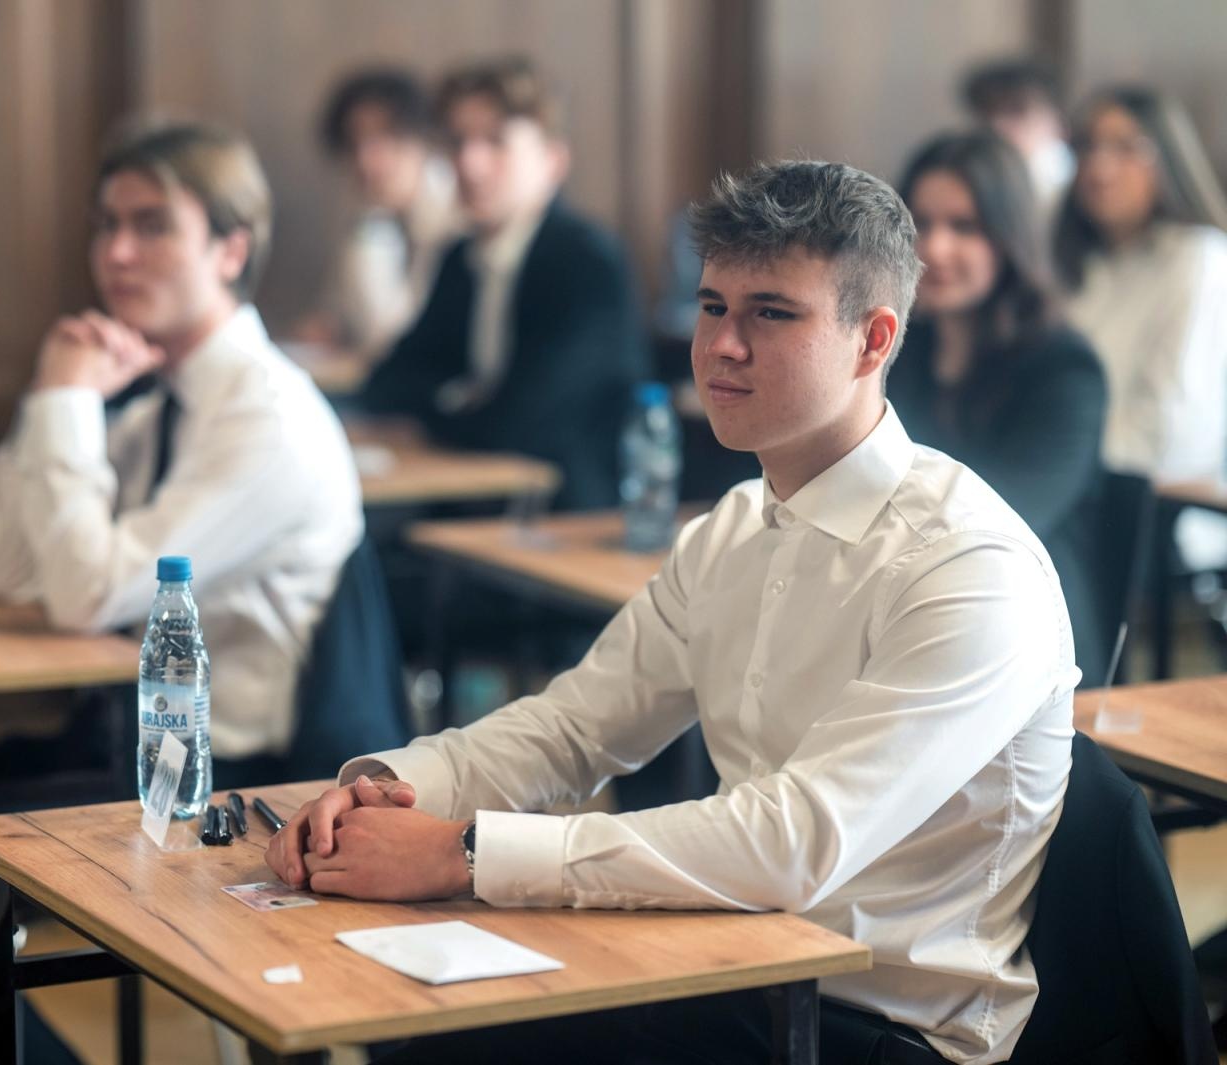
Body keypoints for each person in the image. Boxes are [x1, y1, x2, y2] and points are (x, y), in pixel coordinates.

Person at [269, 160, 1079, 1065]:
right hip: (730, 963)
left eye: (771, 313)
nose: (722, 344)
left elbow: (790, 843)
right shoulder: (733, 526)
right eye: (711, 306)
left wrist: (460, 852)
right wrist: (389, 787)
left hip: (882, 1027)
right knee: (403, 1017)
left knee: (442, 1042)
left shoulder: (971, 565)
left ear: (872, 339)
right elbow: (572, 729)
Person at [0, 121, 363, 1065]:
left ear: (230, 247)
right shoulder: (159, 400)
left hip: (225, 782)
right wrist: (62, 397)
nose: (117, 252)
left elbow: (87, 592)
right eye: (106, 225)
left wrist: (66, 405)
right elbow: (18, 566)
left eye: (151, 225)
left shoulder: (268, 417)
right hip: (132, 747)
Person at [359, 55, 647, 511]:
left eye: (496, 142)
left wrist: (439, 409)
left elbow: (524, 423)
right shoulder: (460, 256)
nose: (470, 163)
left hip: (573, 515)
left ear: (554, 160)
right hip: (480, 501)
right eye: (457, 142)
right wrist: (462, 402)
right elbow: (387, 382)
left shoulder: (587, 262)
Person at [886, 130, 1108, 682]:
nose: (934, 248)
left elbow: (995, 523)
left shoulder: (1065, 367)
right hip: (903, 605)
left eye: (965, 227)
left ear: (1009, 238)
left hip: (1022, 635)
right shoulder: (893, 346)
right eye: (920, 224)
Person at [1055, 87, 1227, 525]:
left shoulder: (1200, 258)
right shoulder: (1080, 263)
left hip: (1158, 517)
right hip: (1080, 491)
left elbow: (1175, 434)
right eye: (1088, 147)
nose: (1100, 167)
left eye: (1126, 148)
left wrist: (1050, 441)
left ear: (1167, 157)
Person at [295, 66, 461, 363]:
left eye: (385, 138)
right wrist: (329, 327)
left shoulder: (460, 214)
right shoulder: (365, 214)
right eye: (355, 143)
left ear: (423, 137)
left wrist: (372, 234)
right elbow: (337, 315)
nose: (366, 159)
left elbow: (392, 338)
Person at [961, 58, 1075, 230]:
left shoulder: (1079, 189)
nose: (997, 125)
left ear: (1058, 123)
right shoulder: (965, 180)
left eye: (1017, 110)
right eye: (988, 112)